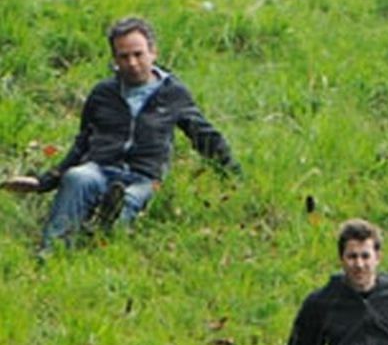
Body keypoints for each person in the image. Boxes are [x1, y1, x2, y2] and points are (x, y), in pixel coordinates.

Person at [4, 17, 238, 256]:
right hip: (99, 168)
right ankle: (53, 250)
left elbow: (204, 135)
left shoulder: (173, 94)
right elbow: (82, 142)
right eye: (124, 57)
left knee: (128, 201)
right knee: (77, 178)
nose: (132, 63)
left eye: (138, 54)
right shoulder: (102, 93)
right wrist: (46, 181)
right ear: (115, 59)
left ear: (153, 53)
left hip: (144, 177)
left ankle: (103, 229)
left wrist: (233, 175)